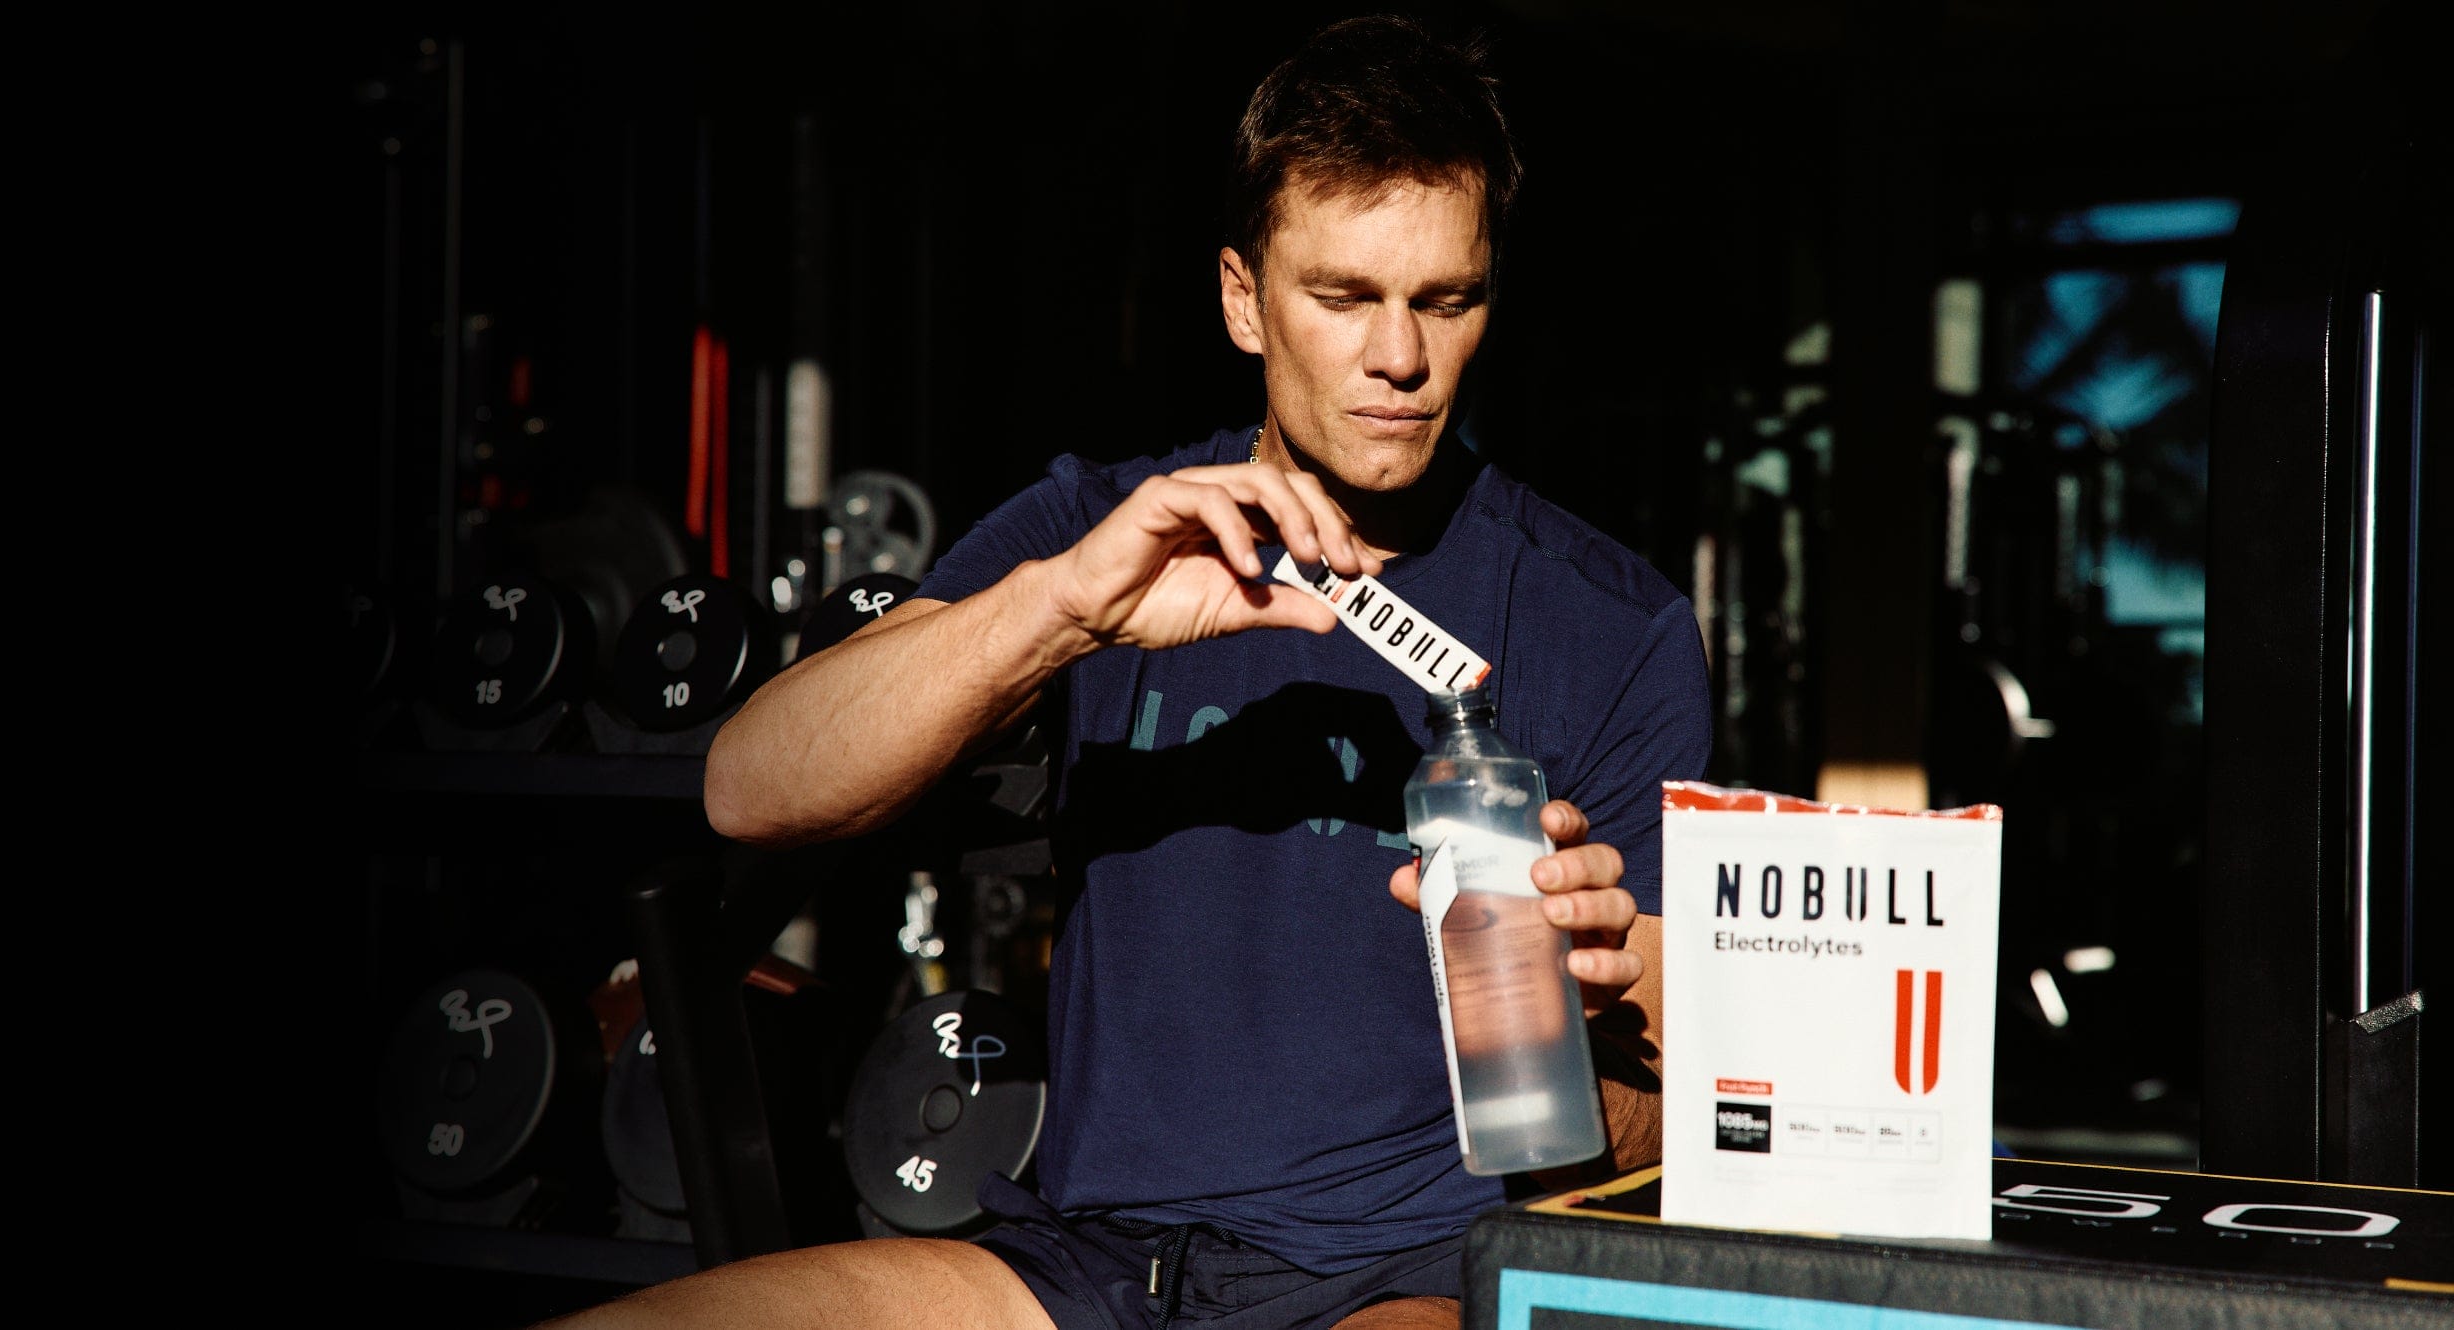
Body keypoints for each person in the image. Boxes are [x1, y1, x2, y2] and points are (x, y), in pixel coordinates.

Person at [554, 15, 1711, 1329]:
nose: (1402, 357)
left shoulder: (1611, 623)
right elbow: (751, 786)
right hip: (1082, 1268)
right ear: (1241, 298)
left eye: (1447, 300)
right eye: (1345, 296)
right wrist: (1060, 612)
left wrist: (1601, 1014)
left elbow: (1642, 1159)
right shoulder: (1108, 528)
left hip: (1398, 1279)